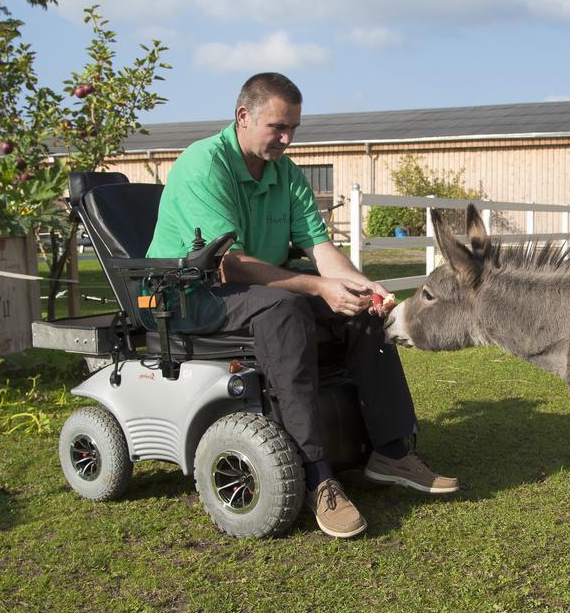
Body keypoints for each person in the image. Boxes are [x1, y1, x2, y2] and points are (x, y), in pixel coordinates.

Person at [148, 72, 457, 538]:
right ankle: (318, 477)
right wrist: (316, 289)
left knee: (360, 310)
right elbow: (231, 265)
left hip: (259, 289)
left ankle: (391, 452)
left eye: (293, 127)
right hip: (189, 294)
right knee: (283, 309)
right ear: (243, 116)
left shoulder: (284, 172)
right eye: (278, 127)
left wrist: (364, 286)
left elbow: (319, 248)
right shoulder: (203, 165)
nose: (287, 138)